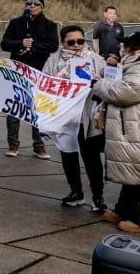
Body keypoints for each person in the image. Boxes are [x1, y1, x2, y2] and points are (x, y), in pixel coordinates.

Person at [43, 25, 106, 211]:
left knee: (92, 158)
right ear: (63, 43)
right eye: (71, 42)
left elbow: (108, 84)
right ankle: (76, 192)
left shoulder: (96, 59)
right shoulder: (53, 60)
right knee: (68, 156)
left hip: (88, 117)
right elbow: (45, 83)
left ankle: (98, 196)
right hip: (65, 117)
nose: (77, 45)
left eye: (80, 41)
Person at [0, 0, 57, 159]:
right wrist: (20, 43)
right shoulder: (16, 23)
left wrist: (33, 46)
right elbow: (4, 43)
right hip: (17, 71)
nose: (32, 6)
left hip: (39, 71)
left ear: (42, 7)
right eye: (29, 3)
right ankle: (13, 144)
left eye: (36, 4)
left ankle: (39, 145)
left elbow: (53, 45)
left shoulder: (50, 25)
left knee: (37, 108)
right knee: (14, 107)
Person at [94, 32, 140, 233]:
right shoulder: (130, 65)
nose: (122, 48)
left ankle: (138, 217)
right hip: (130, 128)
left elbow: (122, 92)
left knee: (137, 170)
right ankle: (123, 208)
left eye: (125, 46)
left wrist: (98, 84)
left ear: (133, 49)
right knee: (132, 170)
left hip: (134, 128)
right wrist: (111, 68)